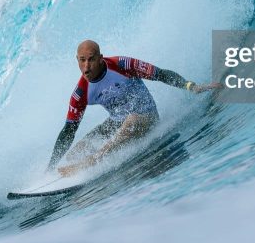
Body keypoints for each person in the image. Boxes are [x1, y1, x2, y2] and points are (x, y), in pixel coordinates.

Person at [48, 39, 220, 176]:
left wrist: (191, 86)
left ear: (100, 58)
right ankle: (63, 172)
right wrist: (50, 167)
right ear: (77, 60)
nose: (86, 66)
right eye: (82, 60)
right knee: (76, 151)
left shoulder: (122, 65)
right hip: (117, 122)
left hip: (146, 117)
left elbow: (160, 74)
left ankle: (93, 161)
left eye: (91, 59)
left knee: (131, 120)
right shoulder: (81, 93)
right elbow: (68, 131)